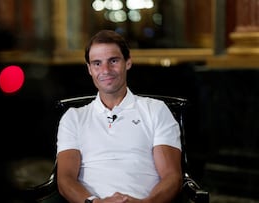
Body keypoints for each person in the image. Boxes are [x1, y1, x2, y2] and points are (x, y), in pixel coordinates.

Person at [56, 30, 182, 203]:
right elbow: (65, 180)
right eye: (97, 63)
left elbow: (171, 177)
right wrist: (97, 202)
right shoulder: (73, 118)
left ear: (128, 62)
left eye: (113, 61)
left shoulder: (156, 110)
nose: (105, 70)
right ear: (89, 69)